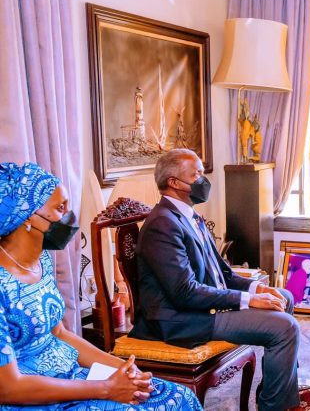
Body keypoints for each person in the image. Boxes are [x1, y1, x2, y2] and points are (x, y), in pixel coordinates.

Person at [0, 162, 201, 410]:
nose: (68, 215)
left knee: (176, 396)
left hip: (71, 375)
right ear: (28, 215)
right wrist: (107, 388)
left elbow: (61, 334)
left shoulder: (42, 260)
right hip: (32, 396)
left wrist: (122, 367)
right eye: (60, 208)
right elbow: (8, 387)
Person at [130, 149, 300, 411]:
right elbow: (184, 292)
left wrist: (258, 288)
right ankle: (273, 406)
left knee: (283, 296)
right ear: (174, 183)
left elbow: (224, 274)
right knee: (284, 328)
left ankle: (278, 391)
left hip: (201, 305)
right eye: (196, 174)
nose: (202, 179)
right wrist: (250, 300)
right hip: (180, 317)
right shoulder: (162, 225)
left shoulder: (191, 216)